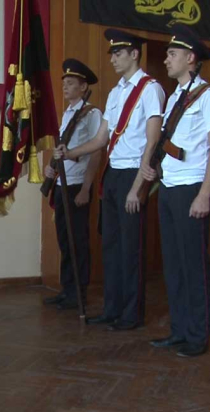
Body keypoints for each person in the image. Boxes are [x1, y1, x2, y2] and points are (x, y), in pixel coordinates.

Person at [54, 29, 165, 330]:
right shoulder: (116, 93)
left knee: (131, 248)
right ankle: (112, 309)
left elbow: (153, 140)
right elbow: (101, 139)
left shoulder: (150, 89)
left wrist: (139, 186)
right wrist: (70, 152)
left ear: (134, 54)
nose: (113, 59)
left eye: (118, 53)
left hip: (133, 172)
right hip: (113, 173)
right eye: (112, 54)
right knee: (112, 246)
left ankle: (131, 313)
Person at [148, 25, 210, 357]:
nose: (166, 59)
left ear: (190, 58)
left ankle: (197, 335)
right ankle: (179, 330)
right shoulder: (174, 97)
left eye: (172, 54)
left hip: (192, 188)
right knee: (174, 264)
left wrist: (204, 194)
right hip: (169, 187)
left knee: (193, 264)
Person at [42, 58, 102, 311]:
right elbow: (63, 150)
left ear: (83, 86)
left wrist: (87, 188)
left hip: (77, 185)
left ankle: (78, 292)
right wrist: (52, 168)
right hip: (62, 183)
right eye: (64, 82)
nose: (65, 87)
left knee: (78, 241)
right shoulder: (68, 113)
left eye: (70, 83)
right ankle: (67, 289)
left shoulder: (91, 114)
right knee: (65, 240)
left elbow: (96, 151)